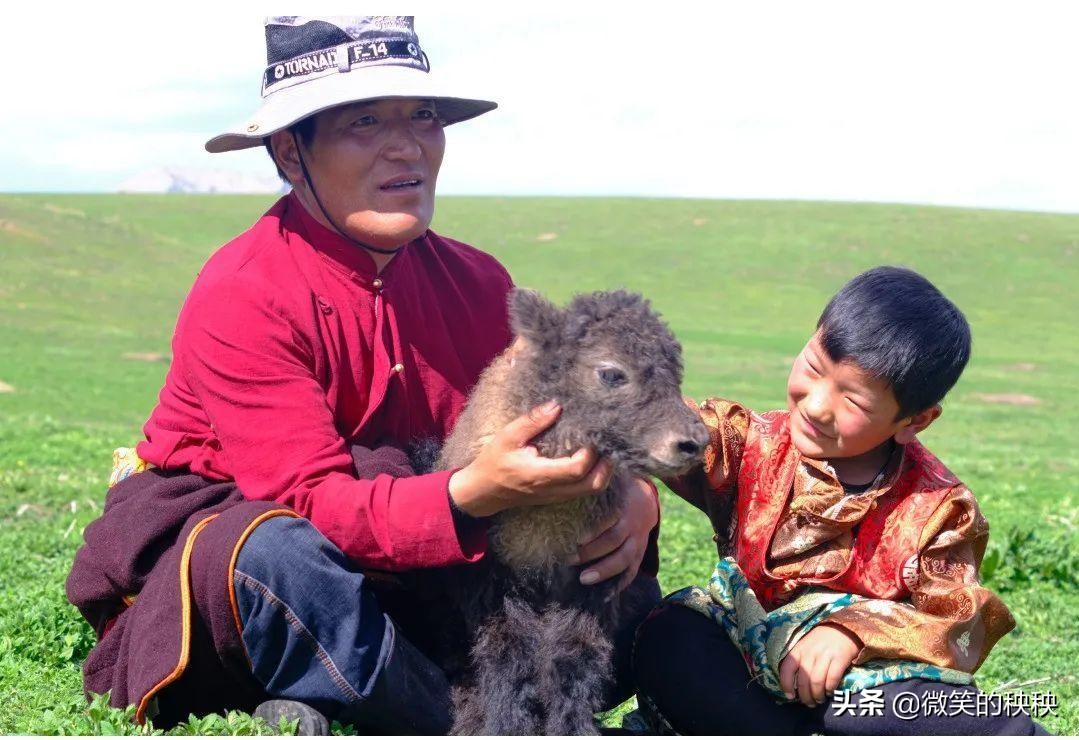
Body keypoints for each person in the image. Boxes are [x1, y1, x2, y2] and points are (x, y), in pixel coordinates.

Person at [66, 16, 662, 734]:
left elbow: (547, 427)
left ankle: (346, 692)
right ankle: (467, 718)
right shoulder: (243, 290)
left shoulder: (479, 282)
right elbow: (312, 505)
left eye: (423, 116)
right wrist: (470, 494)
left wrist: (632, 499)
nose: (407, 146)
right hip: (285, 545)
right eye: (364, 122)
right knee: (275, 561)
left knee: (617, 585)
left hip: (430, 554)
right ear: (290, 152)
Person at [632, 266, 1047, 734]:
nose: (815, 405)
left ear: (915, 421)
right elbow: (663, 424)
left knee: (918, 706)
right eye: (813, 367)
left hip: (858, 688)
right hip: (744, 659)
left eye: (853, 401)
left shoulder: (938, 510)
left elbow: (956, 619)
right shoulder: (748, 443)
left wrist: (852, 631)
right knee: (671, 635)